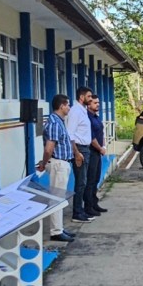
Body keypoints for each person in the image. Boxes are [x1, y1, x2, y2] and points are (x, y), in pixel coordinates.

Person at [37, 93, 75, 243]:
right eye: (67, 105)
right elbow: (49, 148)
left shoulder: (59, 121)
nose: (69, 108)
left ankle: (59, 227)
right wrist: (44, 163)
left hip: (62, 163)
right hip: (58, 164)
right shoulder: (54, 123)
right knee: (57, 198)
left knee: (59, 198)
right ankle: (56, 231)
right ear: (61, 106)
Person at [66, 86, 96, 222]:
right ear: (81, 97)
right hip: (79, 149)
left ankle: (81, 210)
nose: (90, 99)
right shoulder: (75, 111)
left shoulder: (83, 111)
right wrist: (76, 153)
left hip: (85, 149)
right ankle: (77, 213)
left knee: (84, 181)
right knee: (81, 182)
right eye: (89, 96)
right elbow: (70, 134)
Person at [84, 94, 107, 216]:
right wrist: (100, 148)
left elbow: (101, 133)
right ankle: (88, 206)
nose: (97, 104)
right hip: (92, 151)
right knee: (90, 179)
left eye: (98, 102)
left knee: (96, 178)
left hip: (98, 152)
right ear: (88, 105)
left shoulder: (96, 117)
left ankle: (94, 203)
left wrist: (103, 146)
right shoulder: (87, 118)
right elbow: (91, 137)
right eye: (95, 103)